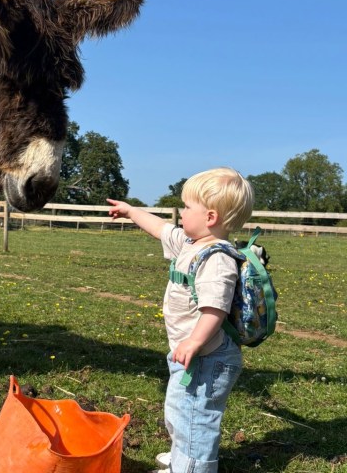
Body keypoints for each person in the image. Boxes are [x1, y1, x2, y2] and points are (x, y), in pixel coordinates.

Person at [107, 167, 254, 473]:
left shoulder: (217, 259)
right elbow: (159, 228)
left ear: (210, 217)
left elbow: (214, 307)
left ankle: (192, 468)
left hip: (207, 356)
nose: (182, 213)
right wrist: (131, 211)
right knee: (179, 408)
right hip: (191, 354)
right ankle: (182, 457)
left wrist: (195, 341)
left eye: (187, 207)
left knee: (195, 415)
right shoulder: (189, 244)